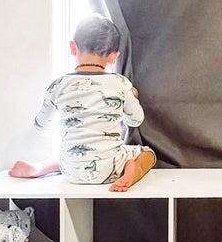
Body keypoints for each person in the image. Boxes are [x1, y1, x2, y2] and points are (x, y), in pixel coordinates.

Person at [9, 14, 155, 192]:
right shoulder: (120, 83)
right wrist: (133, 95)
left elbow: (41, 125)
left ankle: (40, 168)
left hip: (70, 170)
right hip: (111, 168)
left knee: (70, 153)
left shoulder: (58, 85)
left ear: (73, 47)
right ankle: (135, 170)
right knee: (148, 154)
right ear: (113, 57)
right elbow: (136, 120)